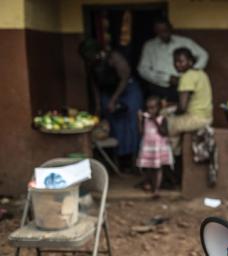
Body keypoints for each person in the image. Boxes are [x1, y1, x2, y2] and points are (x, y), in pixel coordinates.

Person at [80, 39, 143, 168]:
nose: (88, 59)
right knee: (110, 119)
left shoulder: (113, 57)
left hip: (127, 89)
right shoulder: (91, 64)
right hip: (108, 91)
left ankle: (133, 159)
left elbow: (124, 78)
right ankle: (118, 159)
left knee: (131, 120)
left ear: (96, 52)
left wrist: (113, 100)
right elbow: (95, 86)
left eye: (89, 56)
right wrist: (98, 105)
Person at [138, 18, 209, 103]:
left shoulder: (184, 42)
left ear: (171, 28)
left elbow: (204, 55)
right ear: (155, 31)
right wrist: (167, 78)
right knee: (162, 114)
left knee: (184, 110)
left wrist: (191, 72)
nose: (163, 33)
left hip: (184, 85)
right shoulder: (149, 46)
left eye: (165, 30)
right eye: (159, 31)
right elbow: (142, 70)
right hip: (160, 87)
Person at [166, 48, 213, 154]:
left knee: (167, 124)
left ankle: (172, 158)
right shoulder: (201, 73)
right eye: (175, 61)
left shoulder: (187, 77)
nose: (177, 64)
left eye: (181, 61)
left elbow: (182, 108)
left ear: (190, 61)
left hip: (196, 119)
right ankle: (177, 154)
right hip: (207, 117)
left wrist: (172, 114)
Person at [136, 96, 173, 198]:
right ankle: (149, 184)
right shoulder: (146, 119)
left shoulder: (162, 119)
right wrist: (139, 120)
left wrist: (155, 120)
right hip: (148, 147)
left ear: (159, 108)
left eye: (153, 108)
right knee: (147, 167)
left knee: (157, 168)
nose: (150, 110)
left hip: (158, 148)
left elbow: (164, 132)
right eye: (148, 108)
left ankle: (156, 190)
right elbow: (141, 133)